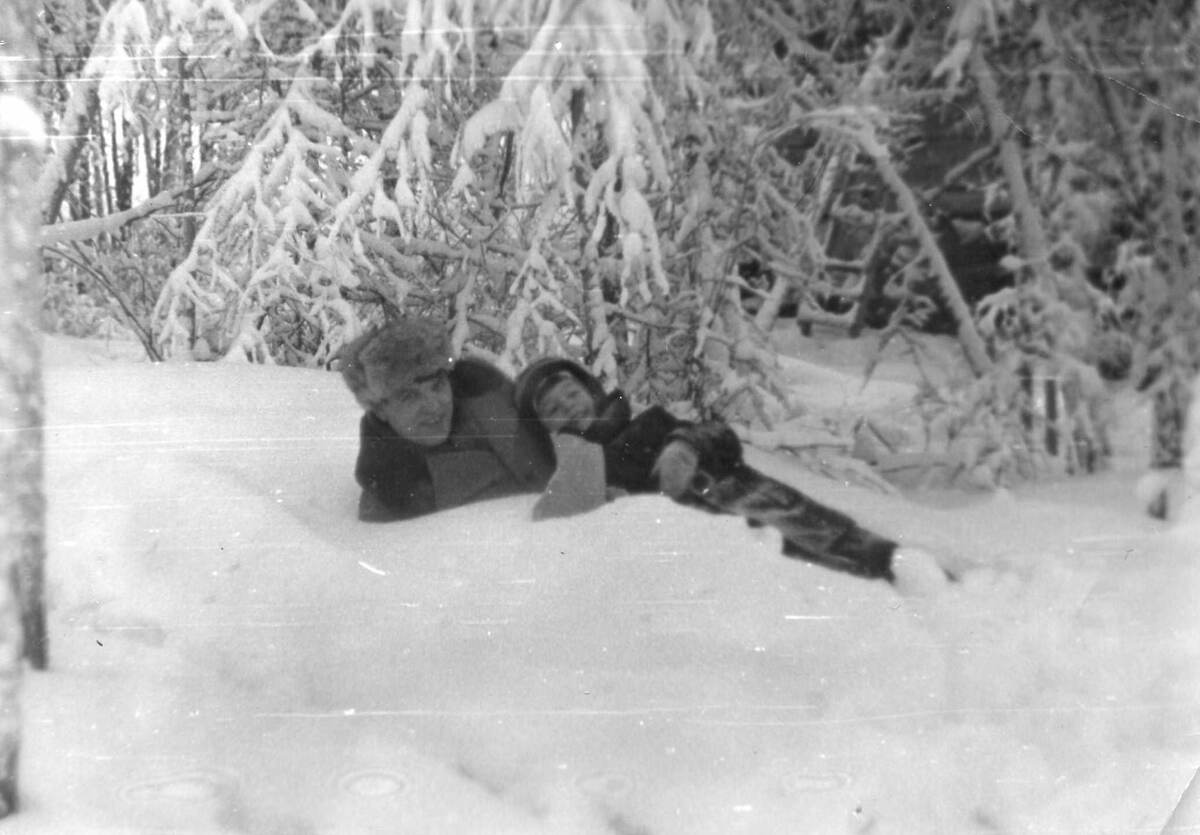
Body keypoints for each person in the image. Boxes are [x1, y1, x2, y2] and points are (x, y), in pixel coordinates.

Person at [514, 357, 904, 582]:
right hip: (735, 554)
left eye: (571, 394)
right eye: (553, 410)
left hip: (770, 505)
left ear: (590, 391)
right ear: (544, 429)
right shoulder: (580, 472)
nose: (570, 408)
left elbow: (722, 438)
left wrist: (685, 444)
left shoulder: (649, 421)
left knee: (892, 565)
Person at [338, 319, 555, 521]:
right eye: (409, 396)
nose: (434, 405)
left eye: (437, 386)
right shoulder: (390, 494)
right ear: (380, 410)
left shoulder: (493, 402)